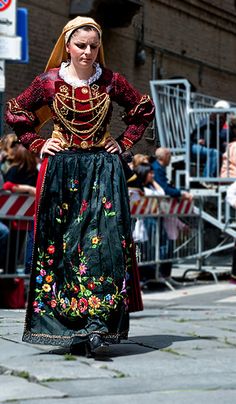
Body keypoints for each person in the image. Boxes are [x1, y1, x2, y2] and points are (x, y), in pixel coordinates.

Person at [5, 16, 154, 356]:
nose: (88, 52)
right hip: (64, 169)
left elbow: (142, 109)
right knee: (65, 247)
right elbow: (15, 110)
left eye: (94, 46)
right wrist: (38, 144)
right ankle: (68, 325)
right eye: (81, 45)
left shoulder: (111, 81)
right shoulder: (49, 82)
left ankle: (99, 324)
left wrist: (124, 142)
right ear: (67, 46)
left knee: (105, 246)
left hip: (103, 168)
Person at [151, 147, 192, 283]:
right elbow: (164, 188)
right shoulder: (156, 169)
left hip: (164, 213)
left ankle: (164, 274)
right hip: (159, 213)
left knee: (165, 244)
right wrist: (180, 193)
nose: (171, 158)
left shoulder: (158, 168)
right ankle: (161, 274)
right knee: (163, 244)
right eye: (169, 155)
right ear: (165, 157)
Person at [190, 100, 230, 178]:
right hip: (193, 147)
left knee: (220, 152)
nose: (225, 118)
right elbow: (209, 143)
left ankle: (217, 178)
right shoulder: (210, 123)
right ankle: (207, 179)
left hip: (199, 147)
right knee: (214, 153)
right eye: (225, 115)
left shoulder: (215, 122)